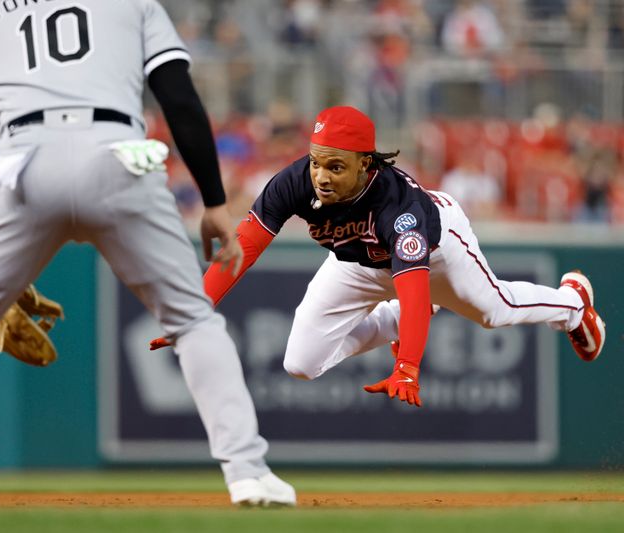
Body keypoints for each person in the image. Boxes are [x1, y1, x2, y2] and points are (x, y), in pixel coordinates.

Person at [0, 0, 295, 507]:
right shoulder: (135, 4)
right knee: (192, 322)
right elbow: (180, 100)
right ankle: (247, 474)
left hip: (22, 163)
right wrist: (214, 201)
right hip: (116, 151)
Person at [152, 105, 605, 408]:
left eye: (335, 165)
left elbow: (413, 289)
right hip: (356, 262)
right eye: (316, 162)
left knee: (494, 311)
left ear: (366, 164)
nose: (321, 176)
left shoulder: (397, 206)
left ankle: (571, 305)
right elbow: (243, 250)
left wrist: (406, 365)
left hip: (437, 249)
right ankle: (386, 322)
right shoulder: (292, 183)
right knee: (300, 364)